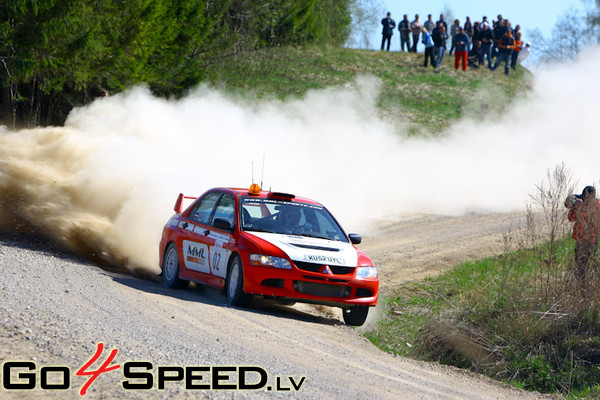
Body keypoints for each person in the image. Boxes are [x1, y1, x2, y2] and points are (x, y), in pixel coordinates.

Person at [567, 186, 600, 284]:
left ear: (588, 197)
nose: (583, 199)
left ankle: (582, 288)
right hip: (584, 240)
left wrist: (579, 207)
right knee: (581, 266)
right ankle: (583, 286)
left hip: (587, 240)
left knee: (581, 267)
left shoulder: (595, 206)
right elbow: (571, 218)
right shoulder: (586, 204)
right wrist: (574, 207)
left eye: (585, 197)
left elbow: (589, 220)